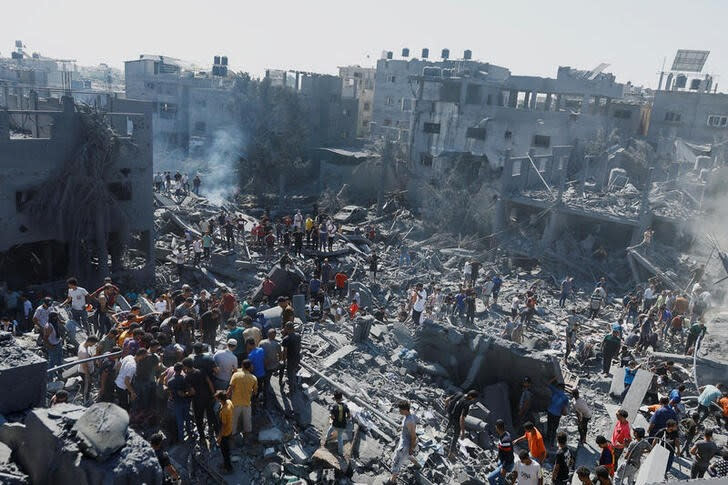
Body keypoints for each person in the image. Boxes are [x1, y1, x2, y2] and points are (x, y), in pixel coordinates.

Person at [182, 357, 217, 447]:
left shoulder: (187, 377)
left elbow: (192, 392)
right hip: (207, 396)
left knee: (199, 419)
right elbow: (209, 382)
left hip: (197, 400)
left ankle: (202, 437)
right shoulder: (201, 371)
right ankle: (211, 430)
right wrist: (213, 394)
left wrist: (185, 394)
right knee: (210, 413)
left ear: (185, 366)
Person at [388, 400, 418, 484]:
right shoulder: (409, 415)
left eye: (400, 410)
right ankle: (417, 464)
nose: (399, 411)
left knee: (397, 461)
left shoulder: (409, 421)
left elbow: (413, 436)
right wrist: (402, 427)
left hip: (406, 444)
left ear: (405, 410)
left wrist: (411, 448)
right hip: (404, 440)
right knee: (407, 456)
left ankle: (392, 480)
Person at [227, 359, 258, 440]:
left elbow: (230, 389)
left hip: (235, 403)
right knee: (247, 421)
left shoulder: (236, 375)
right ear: (250, 367)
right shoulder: (253, 378)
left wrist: (226, 399)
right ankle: (247, 436)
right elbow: (255, 392)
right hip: (247, 403)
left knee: (234, 421)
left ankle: (232, 436)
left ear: (242, 366)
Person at [445, 390, 479, 459]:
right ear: (470, 397)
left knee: (450, 423)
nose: (473, 400)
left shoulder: (459, 393)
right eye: (473, 398)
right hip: (456, 419)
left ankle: (444, 432)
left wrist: (446, 407)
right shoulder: (466, 404)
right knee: (456, 436)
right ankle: (450, 453)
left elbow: (447, 399)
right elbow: (462, 418)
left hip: (450, 415)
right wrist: (463, 432)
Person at [167, 362, 194, 443]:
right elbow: (189, 390)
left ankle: (181, 438)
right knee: (187, 418)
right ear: (182, 369)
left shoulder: (170, 381)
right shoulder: (185, 378)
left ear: (174, 370)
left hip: (176, 403)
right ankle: (190, 433)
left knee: (180, 421)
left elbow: (171, 394)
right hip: (185, 401)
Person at [487, 419, 515, 485]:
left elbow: (508, 456)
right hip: (503, 461)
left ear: (497, 427)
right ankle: (502, 481)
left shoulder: (505, 441)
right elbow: (501, 449)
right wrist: (497, 457)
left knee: (490, 478)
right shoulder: (504, 434)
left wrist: (504, 468)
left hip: (508, 464)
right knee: (500, 478)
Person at [323, 391, 351, 456]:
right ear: (341, 398)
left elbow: (332, 416)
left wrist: (333, 418)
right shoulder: (345, 406)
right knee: (340, 438)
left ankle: (326, 441)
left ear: (335, 398)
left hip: (335, 425)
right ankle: (340, 453)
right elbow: (349, 415)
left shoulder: (333, 406)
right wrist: (346, 420)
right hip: (342, 426)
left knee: (329, 431)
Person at [259, 329, 282, 405]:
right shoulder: (277, 344)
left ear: (267, 334)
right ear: (275, 335)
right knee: (267, 382)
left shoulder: (262, 343)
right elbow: (280, 355)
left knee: (260, 380)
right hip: (271, 366)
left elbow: (258, 353)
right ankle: (265, 400)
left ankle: (259, 395)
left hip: (262, 365)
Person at [546, 379, 570, 447]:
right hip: (557, 415)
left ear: (558, 387)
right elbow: (565, 409)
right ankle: (551, 443)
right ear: (563, 388)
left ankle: (547, 440)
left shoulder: (555, 391)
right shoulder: (565, 398)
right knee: (554, 429)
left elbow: (548, 384)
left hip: (550, 411)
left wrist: (553, 378)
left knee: (549, 426)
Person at [215, 390, 234, 474]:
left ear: (220, 399)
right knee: (227, 449)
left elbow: (223, 426)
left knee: (225, 452)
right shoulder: (229, 402)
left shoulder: (224, 411)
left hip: (225, 433)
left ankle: (228, 468)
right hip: (230, 429)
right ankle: (226, 464)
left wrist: (219, 437)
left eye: (217, 398)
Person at [77, 335, 99, 404]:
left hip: (89, 370)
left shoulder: (86, 345)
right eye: (93, 343)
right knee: (87, 386)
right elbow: (84, 366)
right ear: (90, 342)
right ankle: (85, 400)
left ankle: (86, 396)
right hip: (85, 372)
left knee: (88, 385)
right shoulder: (83, 351)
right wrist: (88, 375)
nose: (93, 345)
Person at [280, 322, 301, 394]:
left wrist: (284, 360)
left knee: (290, 374)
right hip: (297, 357)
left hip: (290, 359)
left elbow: (285, 351)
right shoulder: (298, 336)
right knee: (293, 372)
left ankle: (292, 390)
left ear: (287, 329)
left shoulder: (286, 339)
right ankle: (294, 386)